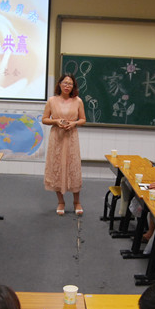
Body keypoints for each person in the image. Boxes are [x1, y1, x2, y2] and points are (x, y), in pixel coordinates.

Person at [42, 74, 86, 216]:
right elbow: (44, 119)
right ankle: (60, 202)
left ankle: (76, 202)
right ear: (60, 84)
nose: (67, 86)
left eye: (70, 84)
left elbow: (83, 119)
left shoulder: (78, 101)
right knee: (57, 167)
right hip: (57, 137)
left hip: (71, 136)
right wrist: (56, 121)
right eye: (65, 83)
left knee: (73, 167)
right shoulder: (52, 101)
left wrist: (74, 123)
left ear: (73, 86)